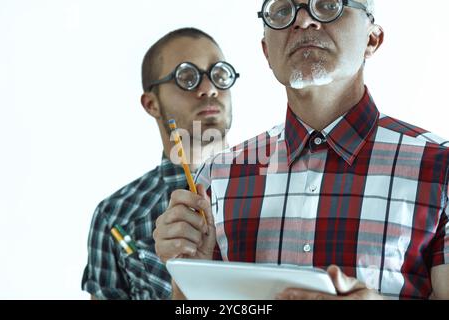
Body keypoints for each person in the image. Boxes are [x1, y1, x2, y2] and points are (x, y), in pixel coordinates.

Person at [153, 0, 449, 300]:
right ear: (267, 51)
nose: (303, 20)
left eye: (328, 4)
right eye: (283, 11)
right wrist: (193, 273)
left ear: (372, 39)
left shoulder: (441, 167)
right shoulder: (215, 177)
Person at [82, 27, 238, 299]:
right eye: (187, 77)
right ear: (151, 104)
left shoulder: (278, 188)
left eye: (219, 74)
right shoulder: (115, 215)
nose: (209, 88)